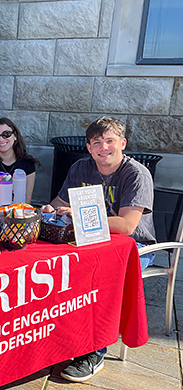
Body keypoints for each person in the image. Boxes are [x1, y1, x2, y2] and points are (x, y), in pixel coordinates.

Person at [41, 116, 156, 383]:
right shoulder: (80, 167)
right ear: (89, 147)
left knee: (99, 277)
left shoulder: (136, 174)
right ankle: (59, 340)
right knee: (54, 268)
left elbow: (127, 225)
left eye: (110, 141)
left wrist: (79, 215)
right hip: (91, 241)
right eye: (97, 142)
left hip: (134, 247)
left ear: (122, 143)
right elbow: (60, 200)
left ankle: (94, 351)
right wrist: (48, 209)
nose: (104, 147)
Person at [0, 118, 39, 208]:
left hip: (19, 216)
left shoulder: (27, 164)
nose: (1, 139)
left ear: (15, 135)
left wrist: (16, 216)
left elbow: (26, 200)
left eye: (6, 134)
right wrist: (9, 214)